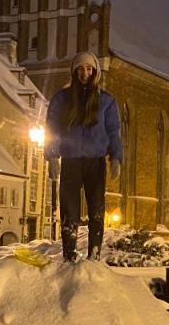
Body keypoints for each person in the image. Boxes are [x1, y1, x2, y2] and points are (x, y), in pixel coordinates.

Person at [45, 51, 123, 262]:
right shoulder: (61, 99)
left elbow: (113, 130)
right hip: (70, 160)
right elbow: (52, 128)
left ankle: (94, 254)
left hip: (95, 162)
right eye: (80, 69)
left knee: (96, 209)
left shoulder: (106, 101)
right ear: (74, 72)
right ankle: (69, 254)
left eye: (89, 69)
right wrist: (52, 155)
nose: (85, 73)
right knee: (69, 210)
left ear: (95, 71)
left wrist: (115, 157)